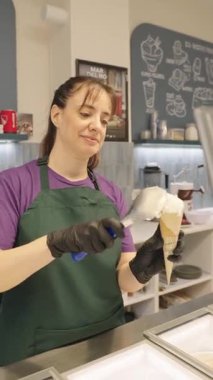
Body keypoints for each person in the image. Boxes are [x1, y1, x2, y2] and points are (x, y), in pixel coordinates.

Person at [0, 76, 184, 366]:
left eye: (104, 118)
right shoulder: (13, 185)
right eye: (86, 113)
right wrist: (56, 243)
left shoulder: (111, 194)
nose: (97, 125)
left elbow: (126, 281)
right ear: (57, 115)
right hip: (34, 351)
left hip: (105, 342)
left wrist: (144, 266)